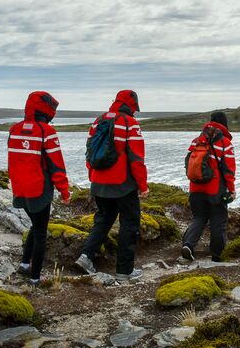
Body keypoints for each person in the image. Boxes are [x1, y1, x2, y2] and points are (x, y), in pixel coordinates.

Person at [74, 90, 149, 283]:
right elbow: (136, 158)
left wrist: (93, 177)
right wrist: (142, 185)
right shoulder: (130, 123)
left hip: (99, 182)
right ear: (132, 106)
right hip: (123, 183)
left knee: (103, 220)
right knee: (129, 224)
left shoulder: (98, 121)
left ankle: (86, 257)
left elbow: (89, 152)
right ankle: (124, 271)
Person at [8, 91, 70, 287]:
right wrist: (64, 191)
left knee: (35, 226)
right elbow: (56, 165)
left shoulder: (14, 129)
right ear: (47, 111)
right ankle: (35, 278)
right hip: (39, 189)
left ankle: (25, 264)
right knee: (41, 231)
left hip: (20, 189)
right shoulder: (47, 132)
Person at [180, 111, 237, 262]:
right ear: (224, 125)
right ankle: (218, 255)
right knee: (218, 220)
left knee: (199, 217)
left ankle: (188, 245)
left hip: (195, 188)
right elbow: (229, 170)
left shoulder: (196, 140)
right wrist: (231, 189)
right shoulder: (225, 143)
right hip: (215, 190)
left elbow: (188, 163)